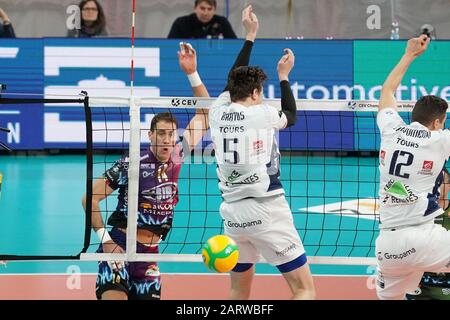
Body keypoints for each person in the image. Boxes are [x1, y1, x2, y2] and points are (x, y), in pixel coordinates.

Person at [191, 5, 315, 299]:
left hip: (232, 215)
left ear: (230, 91)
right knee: (304, 289)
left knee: (238, 290)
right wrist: (284, 76)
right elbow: (291, 116)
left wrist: (250, 35)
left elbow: (234, 76)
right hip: (266, 208)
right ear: (257, 94)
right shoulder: (262, 113)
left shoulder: (219, 111)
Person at [81, 44, 209, 300]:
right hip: (119, 247)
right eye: (160, 133)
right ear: (150, 135)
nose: (166, 140)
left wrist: (192, 73)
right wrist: (106, 240)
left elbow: (205, 114)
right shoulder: (133, 162)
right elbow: (89, 198)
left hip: (150, 255)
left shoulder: (178, 154)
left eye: (170, 134)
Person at [375, 34, 450, 300]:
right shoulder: (440, 140)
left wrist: (410, 54)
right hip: (426, 239)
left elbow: (387, 91)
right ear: (438, 122)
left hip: (388, 246)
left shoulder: (391, 129)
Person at [406, 168, 450, 300]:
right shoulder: (415, 212)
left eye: (441, 182)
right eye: (433, 181)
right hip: (419, 283)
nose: (436, 186)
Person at [168, 0, 237, 39]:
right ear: (195, 8)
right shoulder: (181, 23)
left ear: (214, 10)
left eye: (209, 9)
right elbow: (169, 46)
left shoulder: (222, 22)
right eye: (202, 8)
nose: (205, 13)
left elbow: (234, 44)